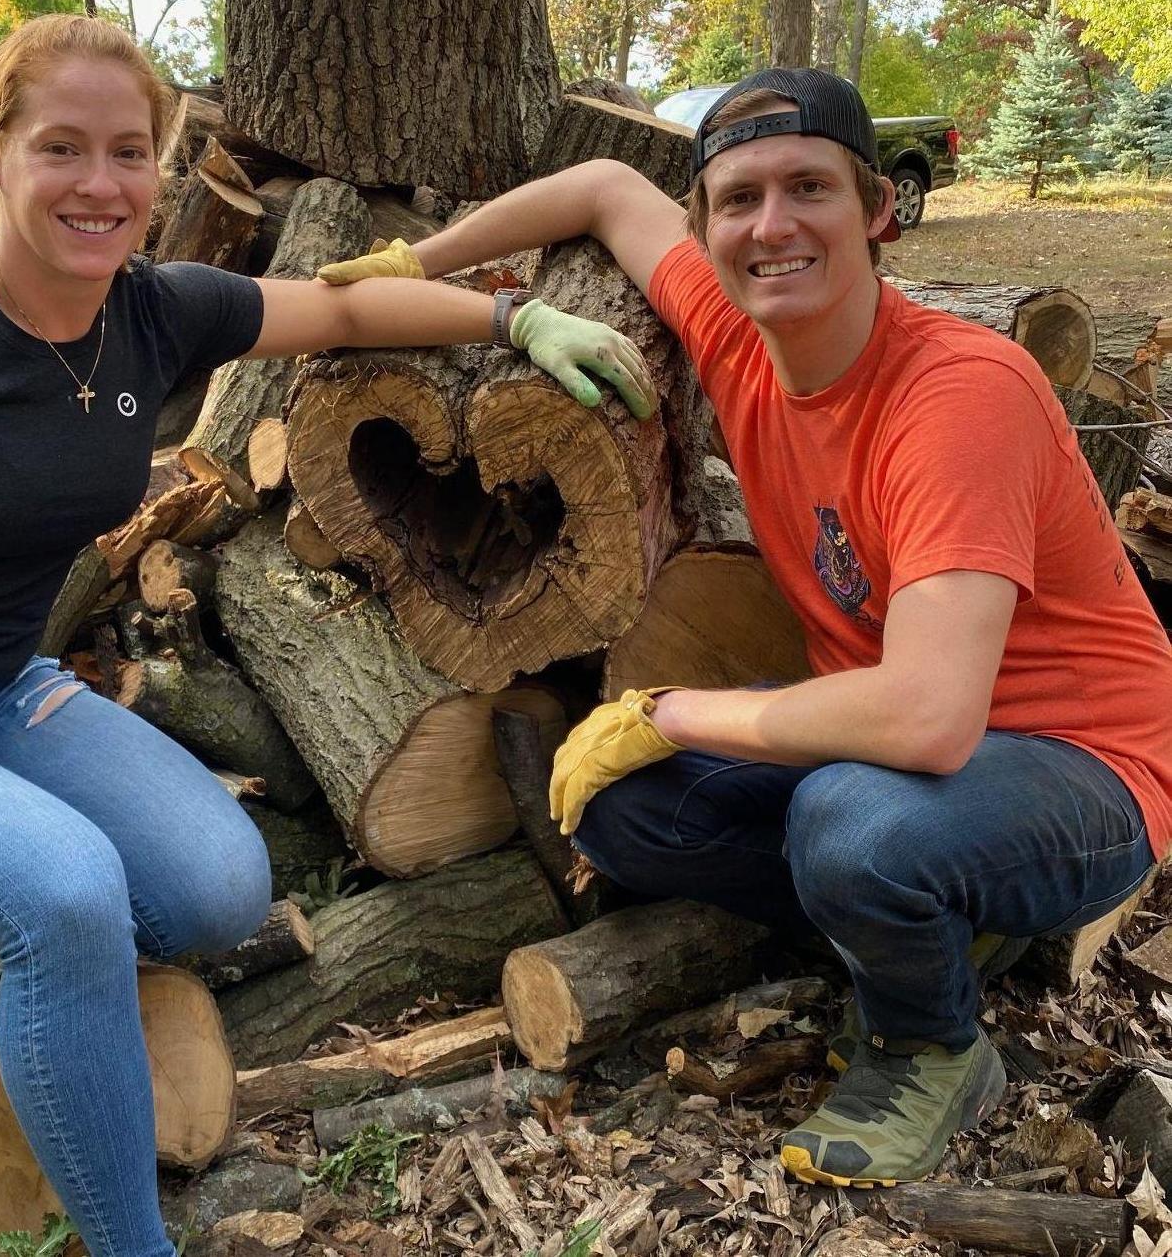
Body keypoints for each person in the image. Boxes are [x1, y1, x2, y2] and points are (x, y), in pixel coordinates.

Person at [0, 14, 656, 1257]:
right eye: (62, 147)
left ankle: (30, 965)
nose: (100, 184)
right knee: (68, 890)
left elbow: (341, 316)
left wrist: (514, 323)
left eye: (129, 152)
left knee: (216, 887)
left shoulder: (152, 313)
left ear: (162, 166)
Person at [318, 67, 1172, 1189]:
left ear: (877, 211)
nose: (771, 225)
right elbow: (599, 185)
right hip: (917, 753)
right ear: (707, 225)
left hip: (1082, 773)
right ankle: (934, 920)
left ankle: (931, 1048)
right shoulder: (739, 335)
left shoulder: (959, 395)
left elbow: (925, 716)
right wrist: (416, 266)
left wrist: (666, 709)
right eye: (738, 199)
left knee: (852, 822)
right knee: (623, 813)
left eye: (808, 188)